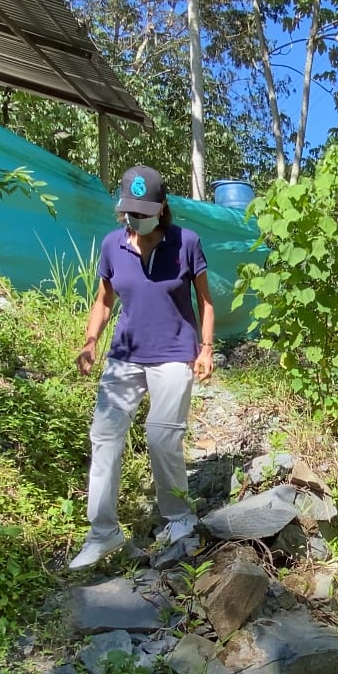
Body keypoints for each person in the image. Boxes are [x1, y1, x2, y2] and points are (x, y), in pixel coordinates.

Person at [69, 165, 215, 570]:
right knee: (104, 437)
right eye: (129, 211)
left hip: (173, 353)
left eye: (143, 210)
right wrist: (90, 342)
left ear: (161, 207)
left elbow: (205, 301)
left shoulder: (186, 243)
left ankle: (180, 518)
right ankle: (102, 533)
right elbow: (103, 301)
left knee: (161, 437)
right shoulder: (113, 245)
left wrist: (205, 349)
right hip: (125, 355)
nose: (135, 218)